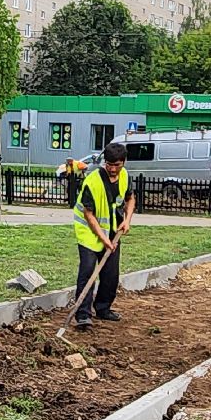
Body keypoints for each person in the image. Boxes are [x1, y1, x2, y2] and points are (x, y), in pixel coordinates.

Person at [72, 141, 135, 330]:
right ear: (104, 162)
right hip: (89, 234)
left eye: (117, 165)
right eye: (109, 164)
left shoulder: (124, 176)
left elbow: (130, 198)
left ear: (123, 162)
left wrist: (127, 220)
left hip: (113, 231)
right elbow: (88, 214)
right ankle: (83, 315)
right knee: (88, 272)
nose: (113, 169)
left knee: (110, 275)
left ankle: (103, 308)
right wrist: (104, 239)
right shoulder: (92, 180)